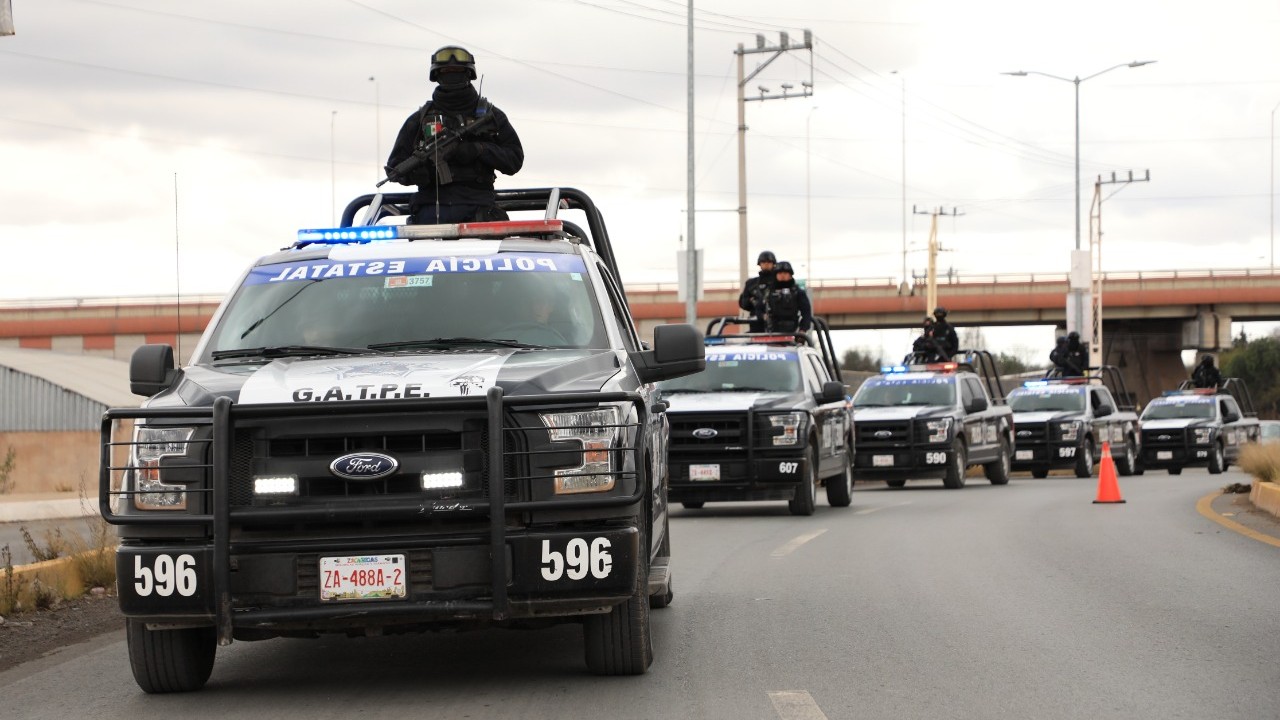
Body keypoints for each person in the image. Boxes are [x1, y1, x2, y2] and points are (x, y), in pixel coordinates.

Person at [385, 46, 524, 224]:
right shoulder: (419, 120)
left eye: (457, 71)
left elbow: (514, 159)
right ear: (437, 76)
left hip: (478, 208)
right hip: (430, 209)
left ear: (468, 74)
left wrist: (479, 150)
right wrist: (418, 174)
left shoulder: (490, 116)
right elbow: (396, 167)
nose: (452, 75)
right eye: (446, 71)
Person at [764, 261, 812, 334]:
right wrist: (762, 316)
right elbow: (759, 308)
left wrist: (803, 330)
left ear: (790, 275)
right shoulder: (768, 292)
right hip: (771, 332)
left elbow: (806, 313)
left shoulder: (798, 292)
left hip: (793, 331)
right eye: (780, 273)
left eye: (785, 273)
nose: (782, 275)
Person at [738, 250, 777, 332]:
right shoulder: (751, 284)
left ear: (773, 264)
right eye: (763, 262)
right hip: (756, 323)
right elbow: (743, 303)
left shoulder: (779, 282)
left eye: (769, 262)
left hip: (777, 323)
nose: (766, 264)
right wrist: (754, 302)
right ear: (760, 264)